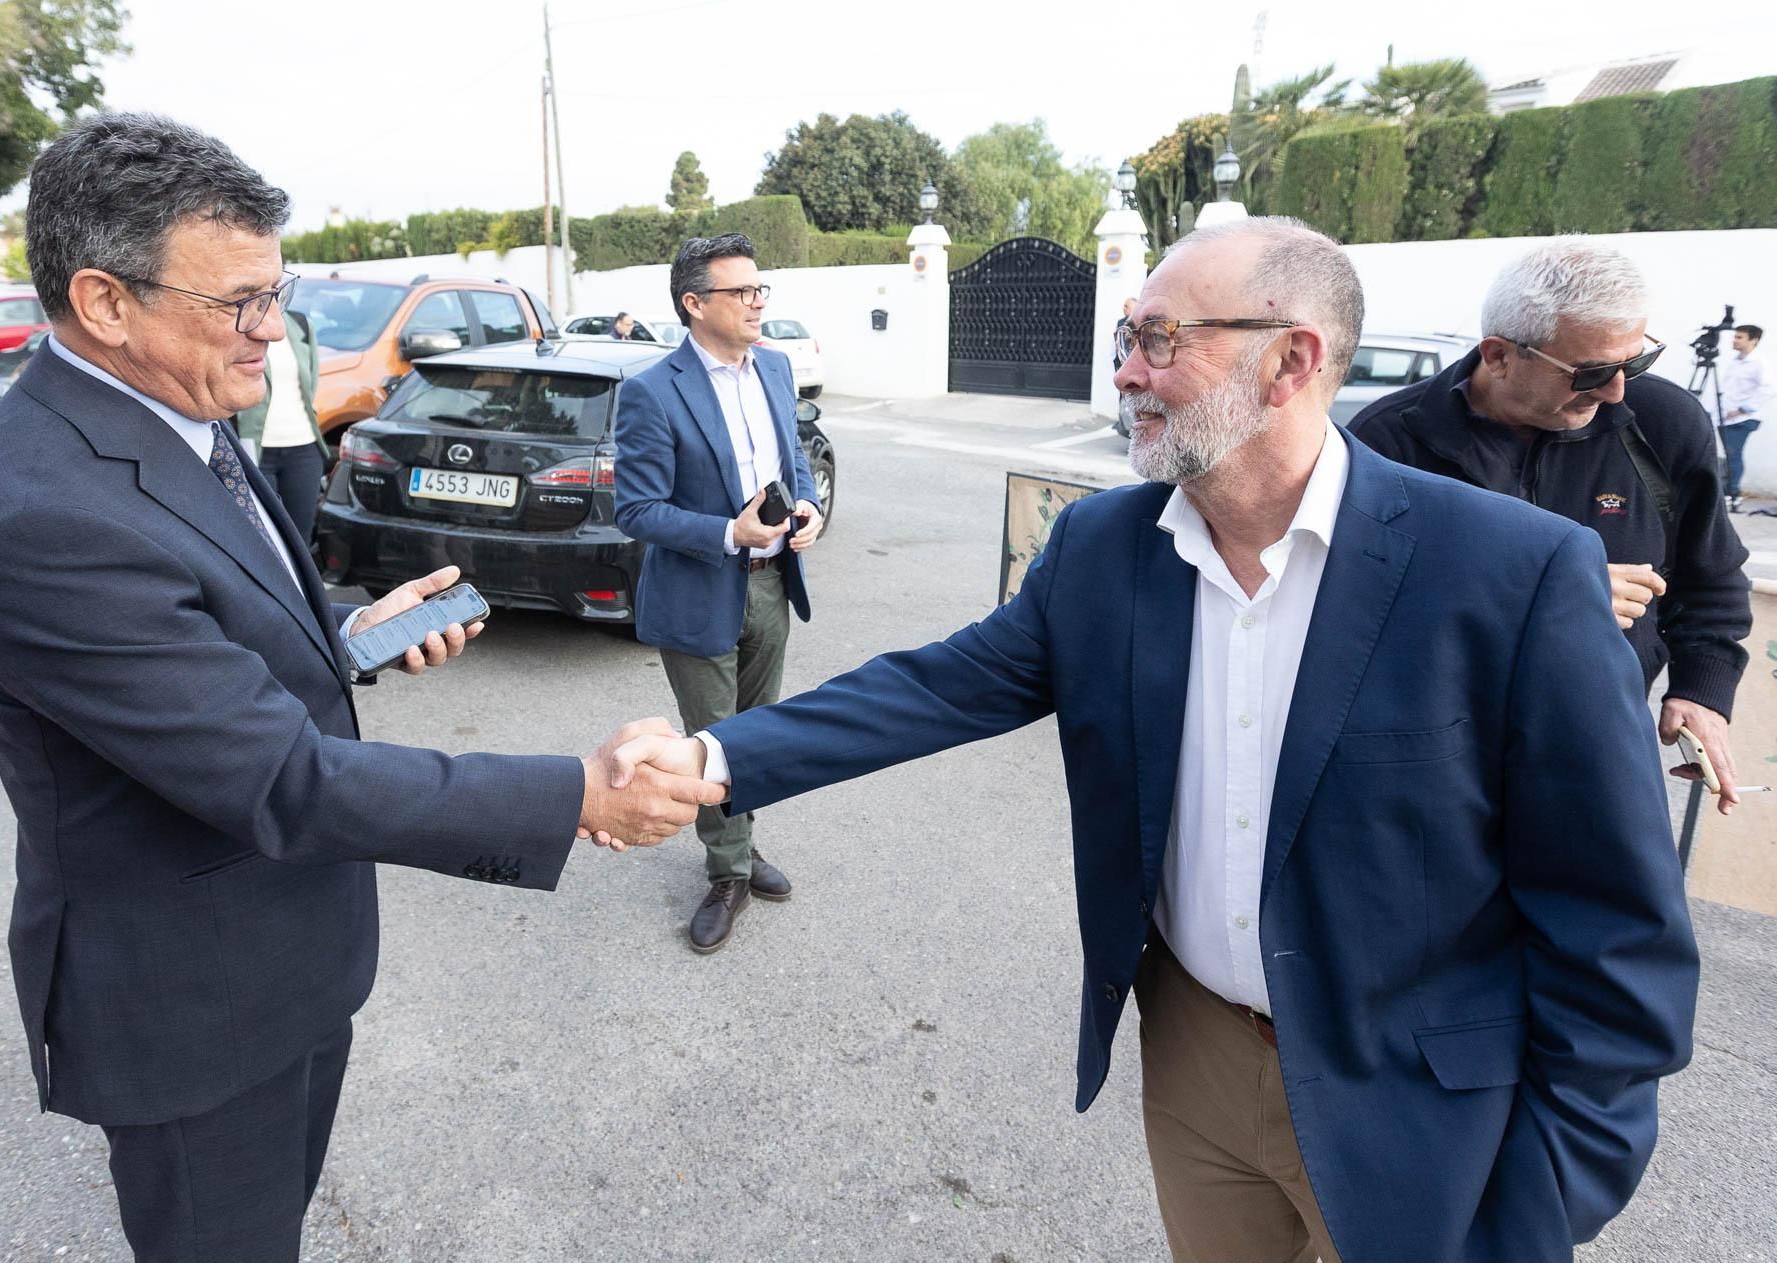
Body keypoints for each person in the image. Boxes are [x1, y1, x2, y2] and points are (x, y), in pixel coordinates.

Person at [604, 218, 1699, 1261]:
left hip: (1426, 1100)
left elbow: (1615, 915)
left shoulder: (1512, 571)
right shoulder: (1102, 546)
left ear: (1293, 359)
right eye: (1129, 338)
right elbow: (939, 687)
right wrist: (716, 761)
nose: (1126, 371)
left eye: (1160, 340)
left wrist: (1562, 1180)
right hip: (1200, 1065)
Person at [0, 113, 721, 1263]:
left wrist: (345, 633)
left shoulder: (170, 397)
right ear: (104, 301)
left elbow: (196, 623)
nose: (271, 331)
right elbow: (282, 779)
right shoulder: (41, 518)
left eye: (275, 290)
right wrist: (576, 794)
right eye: (238, 302)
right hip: (192, 1005)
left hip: (282, 958)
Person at [1350, 241, 1752, 812]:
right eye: (1590, 373)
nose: (1617, 391)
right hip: (1436, 771)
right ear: (1498, 355)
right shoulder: (1387, 444)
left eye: (1635, 363)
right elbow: (1351, 613)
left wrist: (1702, 690)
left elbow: (1711, 580)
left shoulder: (1663, 423)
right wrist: (1552, 591)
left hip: (1604, 757)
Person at [613, 233, 824, 954]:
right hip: (699, 590)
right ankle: (728, 871)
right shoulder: (651, 390)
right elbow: (635, 509)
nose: (758, 303)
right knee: (714, 740)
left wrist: (809, 508)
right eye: (743, 292)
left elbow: (793, 459)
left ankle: (741, 844)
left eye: (762, 289)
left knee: (757, 736)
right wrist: (729, 532)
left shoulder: (775, 366)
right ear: (695, 304)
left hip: (772, 587)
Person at [234, 304, 325, 546]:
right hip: (257, 450)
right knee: (261, 539)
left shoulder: (299, 323)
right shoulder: (241, 323)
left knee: (300, 539)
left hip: (304, 448)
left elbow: (311, 381)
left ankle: (300, 586)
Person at [1719, 322, 1766, 511]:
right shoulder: (1736, 361)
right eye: (1734, 336)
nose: (1735, 340)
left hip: (1742, 419)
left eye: (1740, 337)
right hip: (1725, 417)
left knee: (1733, 455)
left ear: (1753, 340)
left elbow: (1769, 388)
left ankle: (1733, 494)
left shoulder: (1759, 363)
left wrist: (1743, 409)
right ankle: (1728, 492)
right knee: (1728, 455)